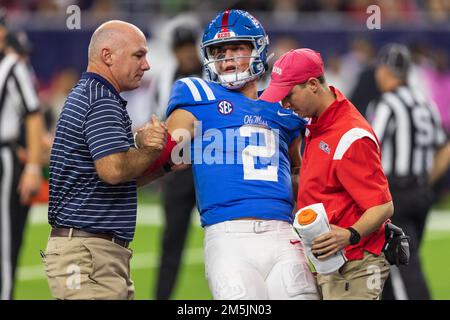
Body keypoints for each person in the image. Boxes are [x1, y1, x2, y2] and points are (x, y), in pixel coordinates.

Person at [136, 10, 319, 300]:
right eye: (219, 51)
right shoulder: (196, 94)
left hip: (285, 235)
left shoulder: (284, 109)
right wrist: (145, 145)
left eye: (237, 48)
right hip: (229, 237)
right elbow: (165, 151)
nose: (228, 58)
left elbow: (302, 175)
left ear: (257, 50)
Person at [43, 20, 167, 300]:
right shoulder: (101, 100)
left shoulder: (92, 94)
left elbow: (115, 182)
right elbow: (112, 171)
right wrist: (149, 149)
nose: (146, 65)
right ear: (108, 56)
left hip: (93, 254)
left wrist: (165, 164)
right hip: (87, 256)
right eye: (138, 55)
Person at [260, 48, 394, 300]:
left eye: (288, 95)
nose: (284, 104)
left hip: (356, 264)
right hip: (330, 262)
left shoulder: (350, 136)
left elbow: (383, 206)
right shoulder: (317, 123)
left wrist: (349, 234)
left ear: (312, 85)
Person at [368, 44, 450, 300]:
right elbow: (445, 148)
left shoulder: (386, 104)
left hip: (395, 194)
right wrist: (425, 180)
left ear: (384, 70)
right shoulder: (424, 103)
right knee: (401, 260)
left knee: (401, 264)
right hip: (421, 193)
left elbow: (368, 148)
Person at [151, 16, 202, 300]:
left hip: (209, 167)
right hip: (178, 171)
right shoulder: (166, 78)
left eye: (188, 46)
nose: (185, 52)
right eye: (180, 47)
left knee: (222, 237)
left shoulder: (212, 75)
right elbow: (159, 121)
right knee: (171, 242)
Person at [0, 15, 44, 300]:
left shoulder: (12, 66)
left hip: (4, 159)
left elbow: (32, 115)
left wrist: (32, 166)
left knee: (4, 243)